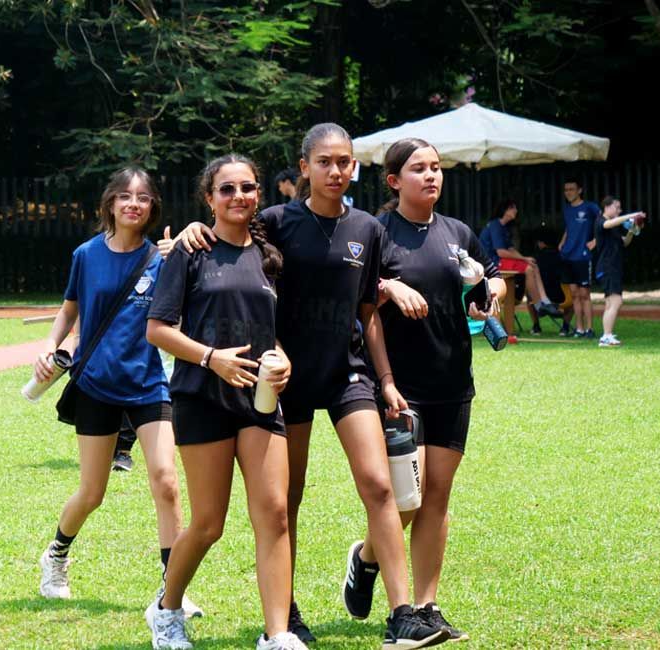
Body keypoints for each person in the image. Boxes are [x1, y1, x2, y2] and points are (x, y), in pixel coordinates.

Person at [172, 126, 448, 649]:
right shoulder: (273, 223)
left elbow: (368, 315)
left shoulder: (367, 228)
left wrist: (385, 379)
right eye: (324, 162)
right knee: (286, 501)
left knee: (381, 485)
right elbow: (225, 232)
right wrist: (190, 228)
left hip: (347, 373)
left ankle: (402, 615)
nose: (336, 171)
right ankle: (287, 612)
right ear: (304, 167)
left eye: (344, 161)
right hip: (287, 379)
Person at [346, 138, 506, 643]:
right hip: (399, 386)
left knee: (436, 496)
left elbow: (495, 284)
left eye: (436, 168)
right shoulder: (376, 232)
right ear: (394, 181)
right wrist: (389, 287)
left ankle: (426, 604)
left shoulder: (458, 233)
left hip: (453, 381)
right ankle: (366, 557)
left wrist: (488, 290)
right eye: (419, 169)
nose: (431, 176)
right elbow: (356, 300)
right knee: (407, 499)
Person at [145, 154, 304, 650]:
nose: (240, 197)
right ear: (209, 198)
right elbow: (158, 330)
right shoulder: (191, 251)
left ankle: (276, 635)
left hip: (259, 402)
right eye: (227, 189)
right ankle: (166, 610)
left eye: (248, 188)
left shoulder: (269, 255)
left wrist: (284, 362)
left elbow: (278, 330)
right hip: (202, 397)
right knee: (209, 522)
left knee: (275, 513)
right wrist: (211, 358)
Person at [33, 167, 200, 617]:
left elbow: (185, 314)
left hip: (150, 383)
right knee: (92, 492)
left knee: (166, 481)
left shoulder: (165, 258)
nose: (133, 204)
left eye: (143, 197)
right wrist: (50, 346)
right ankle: (57, 555)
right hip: (97, 385)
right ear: (109, 204)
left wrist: (179, 256)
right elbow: (68, 312)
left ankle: (173, 592)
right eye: (124, 196)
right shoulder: (86, 255)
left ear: (153, 208)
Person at [478, 199, 561, 323]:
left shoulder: (504, 227)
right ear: (506, 210)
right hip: (493, 262)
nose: (516, 211)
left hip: (499, 260)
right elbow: (501, 252)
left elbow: (510, 249)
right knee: (527, 268)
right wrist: (523, 259)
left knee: (533, 265)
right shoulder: (496, 225)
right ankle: (539, 305)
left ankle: (545, 301)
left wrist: (525, 258)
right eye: (513, 208)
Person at [594, 196, 645, 347]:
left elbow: (625, 243)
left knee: (610, 303)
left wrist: (631, 230)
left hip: (612, 267)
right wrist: (631, 215)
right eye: (617, 207)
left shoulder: (614, 227)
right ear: (607, 207)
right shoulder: (600, 222)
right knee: (616, 301)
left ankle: (607, 335)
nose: (619, 210)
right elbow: (608, 224)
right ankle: (606, 336)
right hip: (607, 267)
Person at [559, 179, 600, 339]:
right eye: (566, 190)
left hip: (583, 256)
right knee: (574, 294)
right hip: (568, 255)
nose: (568, 192)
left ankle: (590, 329)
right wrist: (562, 242)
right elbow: (569, 228)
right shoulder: (567, 209)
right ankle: (579, 329)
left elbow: (603, 222)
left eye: (571, 189)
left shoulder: (590, 207)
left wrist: (596, 240)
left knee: (585, 294)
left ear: (579, 190)